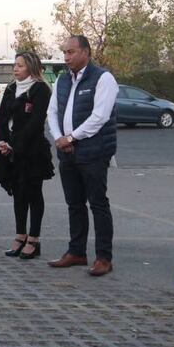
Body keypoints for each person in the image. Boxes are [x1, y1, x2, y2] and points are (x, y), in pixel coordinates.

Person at [46, 35, 119, 277]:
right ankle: (76, 252)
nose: (66, 57)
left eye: (71, 52)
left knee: (98, 204)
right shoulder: (62, 80)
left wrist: (72, 137)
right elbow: (52, 111)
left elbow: (99, 117)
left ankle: (103, 258)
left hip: (93, 151)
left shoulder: (103, 78)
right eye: (64, 52)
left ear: (86, 52)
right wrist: (59, 138)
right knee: (74, 204)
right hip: (66, 151)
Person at [0, 52, 55, 259]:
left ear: (30, 67)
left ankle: (34, 239)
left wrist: (15, 145)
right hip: (9, 150)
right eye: (14, 65)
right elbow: (1, 117)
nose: (15, 69)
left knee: (33, 194)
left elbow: (35, 123)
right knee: (18, 193)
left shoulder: (40, 90)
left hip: (31, 151)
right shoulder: (11, 88)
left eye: (19, 65)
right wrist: (2, 141)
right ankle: (20, 235)